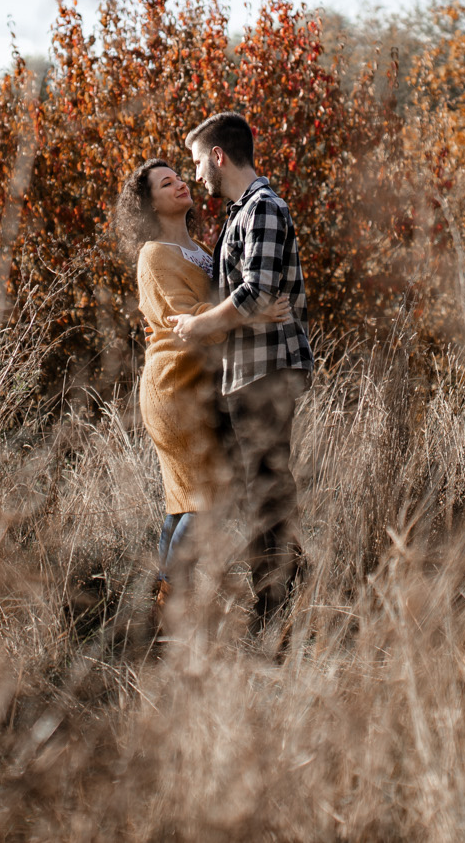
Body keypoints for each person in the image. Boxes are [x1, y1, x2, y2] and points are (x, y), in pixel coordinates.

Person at [116, 157, 290, 613]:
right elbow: (186, 322)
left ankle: (163, 603)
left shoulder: (197, 249)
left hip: (201, 386)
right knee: (206, 499)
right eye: (165, 183)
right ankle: (172, 603)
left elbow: (209, 310)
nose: (179, 185)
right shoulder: (153, 255)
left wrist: (235, 309)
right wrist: (251, 310)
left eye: (178, 178)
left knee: (183, 500)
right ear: (148, 203)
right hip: (175, 387)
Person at [167, 110, 313, 637]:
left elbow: (254, 293)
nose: (197, 174)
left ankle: (274, 611)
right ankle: (292, 583)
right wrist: (233, 310)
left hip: (268, 370)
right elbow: (246, 297)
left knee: (266, 489)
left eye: (197, 162)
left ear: (219, 156)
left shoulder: (264, 209)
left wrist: (201, 326)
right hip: (243, 372)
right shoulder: (238, 214)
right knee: (253, 489)